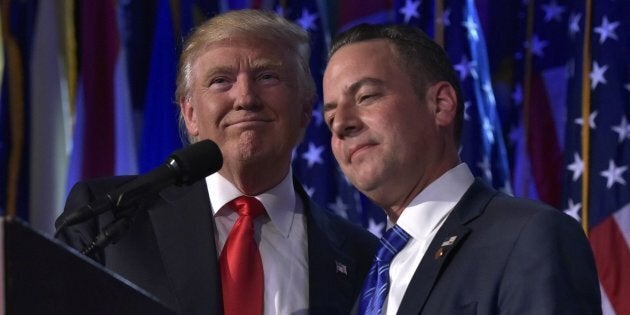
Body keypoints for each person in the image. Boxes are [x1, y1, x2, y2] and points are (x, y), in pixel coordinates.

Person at [56, 10, 378, 315]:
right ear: (191, 114)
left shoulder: (363, 257)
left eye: (267, 76)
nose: (245, 98)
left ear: (306, 109)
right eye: (221, 81)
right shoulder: (108, 219)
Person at [322, 23, 601, 315]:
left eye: (366, 97)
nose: (341, 124)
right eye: (330, 118)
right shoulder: (365, 277)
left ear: (441, 105)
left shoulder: (529, 237)